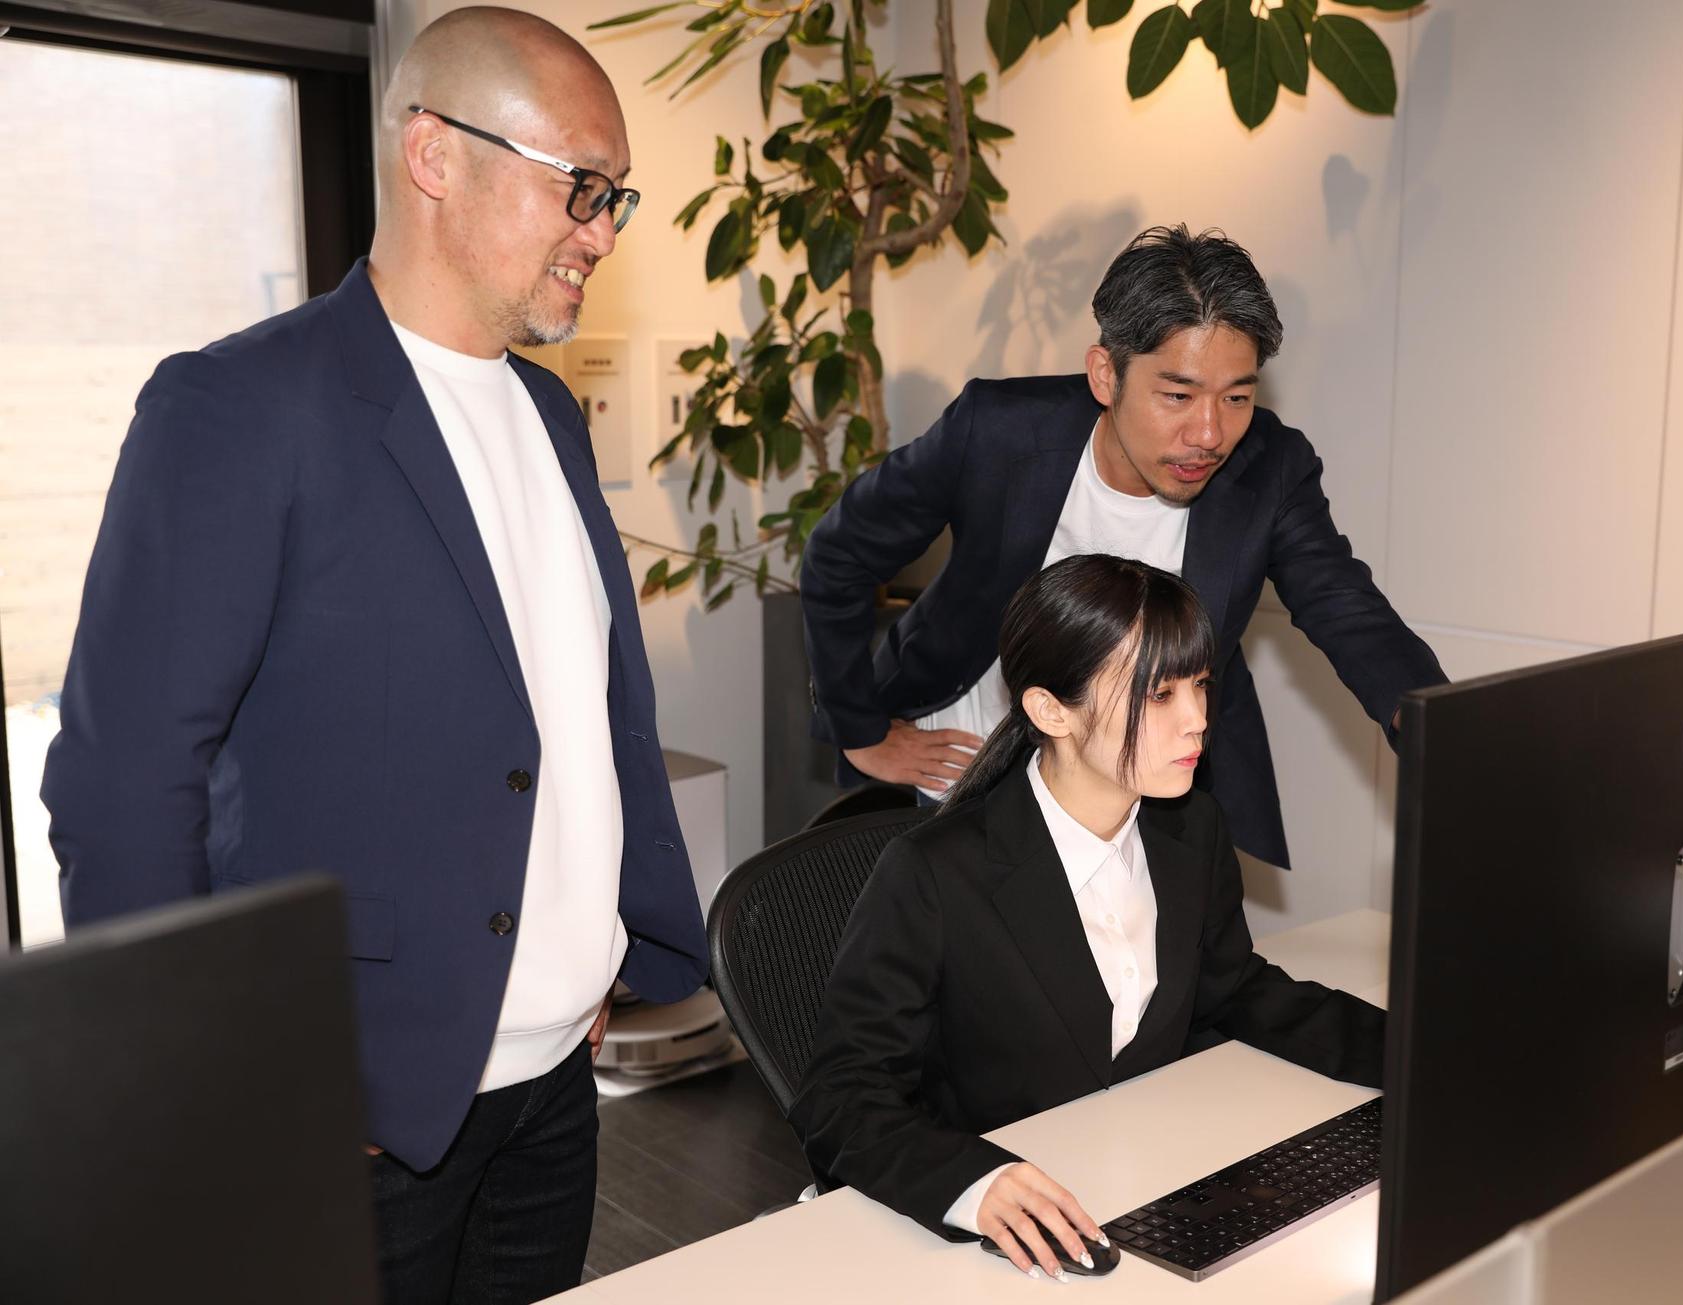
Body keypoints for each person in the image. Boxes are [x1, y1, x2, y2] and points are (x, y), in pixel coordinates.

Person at [40, 8, 708, 1301]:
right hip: (354, 1102)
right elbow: (124, 784)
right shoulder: (239, 407)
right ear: (433, 155)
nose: (602, 231)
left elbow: (568, 721)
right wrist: (225, 1083)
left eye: (615, 197)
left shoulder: (551, 415)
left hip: (557, 1084)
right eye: (580, 187)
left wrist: (596, 952)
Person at [790, 554, 1384, 1281]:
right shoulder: (936, 872)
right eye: (1160, 694)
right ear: (1050, 711)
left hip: (1141, 1193)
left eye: (1200, 684)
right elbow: (841, 1095)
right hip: (992, 1249)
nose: (1198, 719)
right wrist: (974, 1184)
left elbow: (1236, 989)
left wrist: (1418, 1055)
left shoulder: (1191, 829)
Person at [800, 225, 1446, 870]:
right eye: (1178, 395)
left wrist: (1440, 732)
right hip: (967, 770)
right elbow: (839, 555)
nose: (1209, 433)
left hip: (1149, 790)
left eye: (1237, 397)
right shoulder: (998, 431)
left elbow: (1346, 607)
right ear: (1106, 375)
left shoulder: (1270, 468)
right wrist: (861, 730)